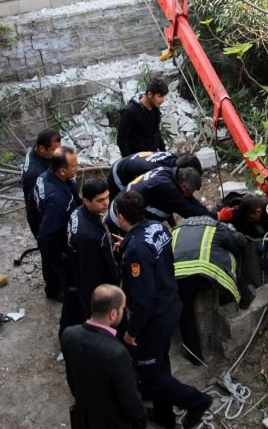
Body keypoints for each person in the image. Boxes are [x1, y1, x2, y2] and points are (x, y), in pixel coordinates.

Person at [115, 191, 213, 429]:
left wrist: (132, 331)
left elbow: (143, 299)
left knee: (148, 377)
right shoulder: (157, 228)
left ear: (120, 217)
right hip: (170, 304)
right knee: (158, 361)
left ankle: (197, 401)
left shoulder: (136, 250)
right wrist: (126, 245)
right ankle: (164, 415)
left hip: (154, 317)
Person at [61, 284, 147, 429]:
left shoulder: (69, 334)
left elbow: (71, 377)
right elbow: (130, 400)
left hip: (85, 417)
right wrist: (141, 421)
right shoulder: (117, 353)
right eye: (122, 308)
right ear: (113, 314)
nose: (123, 311)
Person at [172, 215, 253, 365]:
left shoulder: (177, 228)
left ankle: (195, 356)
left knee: (185, 314)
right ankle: (245, 296)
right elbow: (239, 242)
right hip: (203, 276)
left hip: (178, 277)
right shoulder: (217, 227)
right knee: (229, 256)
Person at [67, 178, 121, 321]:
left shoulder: (78, 212)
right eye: (100, 200)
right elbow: (92, 274)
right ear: (86, 201)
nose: (106, 203)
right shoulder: (88, 236)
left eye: (108, 197)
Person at [34, 147, 81, 302]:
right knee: (59, 266)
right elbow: (45, 237)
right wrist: (59, 253)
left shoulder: (44, 176)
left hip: (48, 221)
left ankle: (53, 288)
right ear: (61, 171)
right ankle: (59, 291)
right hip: (57, 237)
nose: (77, 167)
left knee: (48, 261)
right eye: (74, 166)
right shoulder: (57, 200)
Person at [107, 150, 203, 201]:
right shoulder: (156, 174)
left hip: (129, 162)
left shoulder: (174, 160)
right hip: (120, 175)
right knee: (126, 205)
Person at [21, 128, 61, 238]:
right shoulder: (34, 174)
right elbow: (36, 210)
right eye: (54, 150)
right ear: (42, 149)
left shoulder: (36, 153)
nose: (58, 153)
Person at [116, 77, 169, 157]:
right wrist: (129, 162)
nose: (163, 100)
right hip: (137, 159)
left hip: (152, 156)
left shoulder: (154, 108)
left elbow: (156, 132)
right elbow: (122, 139)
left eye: (164, 96)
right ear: (150, 94)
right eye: (159, 96)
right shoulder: (130, 111)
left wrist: (164, 153)